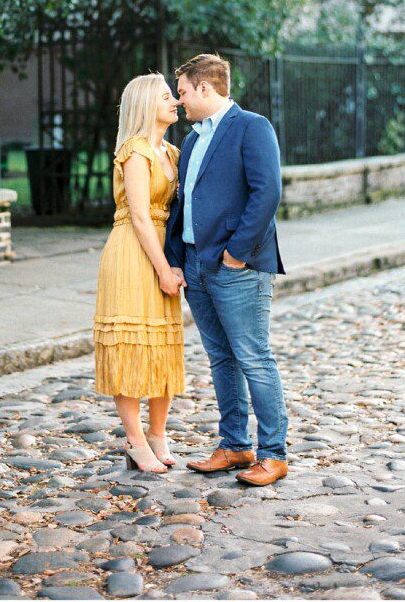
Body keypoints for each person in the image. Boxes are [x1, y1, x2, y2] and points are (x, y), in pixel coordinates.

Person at [165, 53, 289, 486]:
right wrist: (177, 258)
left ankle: (273, 453)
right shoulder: (195, 140)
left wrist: (238, 252)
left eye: (182, 92)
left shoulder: (252, 127)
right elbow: (182, 204)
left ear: (205, 88)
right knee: (221, 359)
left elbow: (267, 192)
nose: (179, 101)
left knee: (254, 358)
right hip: (197, 265)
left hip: (237, 266)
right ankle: (235, 445)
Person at [93, 73, 187, 473]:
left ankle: (158, 434)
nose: (176, 102)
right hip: (133, 251)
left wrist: (177, 260)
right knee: (131, 346)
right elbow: (140, 217)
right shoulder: (134, 151)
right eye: (167, 96)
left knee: (164, 347)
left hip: (163, 250)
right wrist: (164, 268)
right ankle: (134, 440)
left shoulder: (173, 152)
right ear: (146, 104)